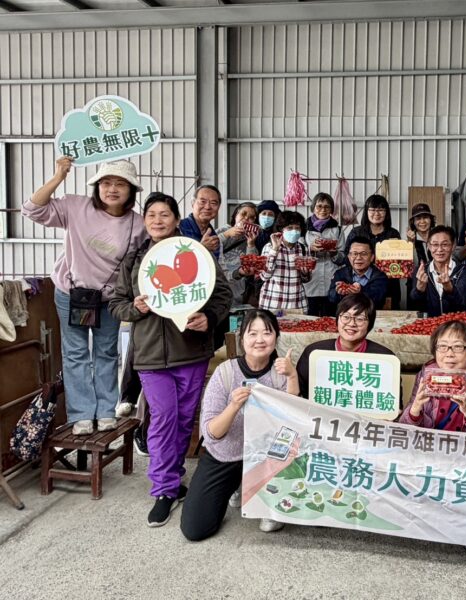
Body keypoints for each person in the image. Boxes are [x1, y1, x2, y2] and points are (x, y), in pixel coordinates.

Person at [109, 192, 232, 527]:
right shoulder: (135, 260)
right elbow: (116, 304)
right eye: (151, 215)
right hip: (150, 355)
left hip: (191, 351)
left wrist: (209, 316)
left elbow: (223, 294)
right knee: (163, 417)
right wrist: (134, 308)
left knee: (183, 420)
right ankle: (163, 489)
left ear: (177, 220)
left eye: (165, 214)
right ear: (144, 221)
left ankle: (174, 480)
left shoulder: (194, 253)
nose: (158, 220)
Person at [22, 157, 147, 435]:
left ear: (131, 190)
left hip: (109, 299)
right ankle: (80, 414)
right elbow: (32, 209)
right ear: (97, 186)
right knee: (76, 352)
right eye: (106, 182)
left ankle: (105, 411)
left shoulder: (138, 224)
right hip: (72, 293)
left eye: (120, 184)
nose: (112, 189)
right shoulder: (75, 206)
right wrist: (58, 176)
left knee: (107, 352)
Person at [181, 309, 299, 540]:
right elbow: (211, 433)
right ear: (241, 338)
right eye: (252, 333)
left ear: (276, 337)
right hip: (227, 454)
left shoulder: (281, 371)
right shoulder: (225, 372)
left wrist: (292, 376)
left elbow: (293, 420)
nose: (260, 340)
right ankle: (238, 484)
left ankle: (265, 497)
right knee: (195, 529)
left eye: (267, 333)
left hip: (267, 456)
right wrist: (233, 406)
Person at [399, 321, 466, 434]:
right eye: (442, 346)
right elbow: (403, 430)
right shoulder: (425, 376)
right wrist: (414, 410)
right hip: (432, 444)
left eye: (458, 346)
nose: (449, 354)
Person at [296, 293, 396, 399]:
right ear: (337, 320)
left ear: (370, 324)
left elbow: (393, 403)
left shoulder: (386, 359)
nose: (352, 324)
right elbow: (300, 397)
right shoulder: (314, 353)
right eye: (346, 317)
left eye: (360, 319)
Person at [345, 194, 401, 309]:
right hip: (361, 284)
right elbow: (347, 258)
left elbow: (399, 262)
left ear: (386, 212)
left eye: (381, 210)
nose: (377, 213)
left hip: (389, 285)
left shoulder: (393, 234)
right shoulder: (356, 232)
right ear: (366, 211)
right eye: (372, 210)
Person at [409, 225, 466, 317]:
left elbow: (461, 305)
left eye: (445, 244)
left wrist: (449, 289)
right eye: (435, 244)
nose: (439, 249)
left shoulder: (464, 271)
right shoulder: (421, 271)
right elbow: (416, 306)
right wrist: (419, 290)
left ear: (453, 246)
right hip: (430, 323)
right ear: (429, 246)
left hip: (454, 323)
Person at [258, 211, 313, 312]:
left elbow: (306, 279)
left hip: (297, 304)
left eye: (297, 228)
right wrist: (274, 250)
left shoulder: (303, 248)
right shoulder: (269, 247)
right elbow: (264, 276)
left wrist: (305, 273)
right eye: (290, 228)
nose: (294, 231)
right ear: (281, 229)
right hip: (273, 304)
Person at [304, 192, 344, 317]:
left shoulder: (337, 229)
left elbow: (343, 257)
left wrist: (334, 253)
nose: (323, 210)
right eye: (319, 206)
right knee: (310, 320)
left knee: (330, 319)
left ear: (331, 209)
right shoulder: (304, 228)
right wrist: (310, 250)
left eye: (327, 207)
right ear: (313, 207)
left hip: (330, 280)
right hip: (311, 281)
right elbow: (297, 254)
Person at [328, 236, 388, 309]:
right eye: (354, 253)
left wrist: (361, 291)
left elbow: (378, 299)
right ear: (349, 256)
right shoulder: (340, 274)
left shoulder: (380, 276)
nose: (359, 258)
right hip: (345, 314)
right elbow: (331, 298)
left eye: (364, 254)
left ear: (372, 257)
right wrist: (338, 293)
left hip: (370, 314)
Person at [217, 202, 259, 305]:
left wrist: (251, 244)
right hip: (217, 287)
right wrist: (227, 234)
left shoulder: (251, 238)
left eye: (251, 218)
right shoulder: (222, 231)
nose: (246, 218)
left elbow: (250, 266)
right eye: (243, 214)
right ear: (236, 215)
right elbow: (206, 247)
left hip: (236, 291)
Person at [406, 203, 435, 313]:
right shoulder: (409, 240)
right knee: (416, 315)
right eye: (418, 218)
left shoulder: (438, 236)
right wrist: (410, 244)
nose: (422, 221)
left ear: (431, 219)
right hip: (415, 284)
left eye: (425, 217)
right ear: (413, 222)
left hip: (436, 283)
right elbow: (408, 266)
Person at [180, 184, 222, 259]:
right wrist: (202, 248)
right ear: (192, 203)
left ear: (219, 207)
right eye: (202, 201)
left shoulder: (213, 236)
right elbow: (172, 261)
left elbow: (217, 265)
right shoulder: (178, 229)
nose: (207, 207)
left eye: (213, 203)